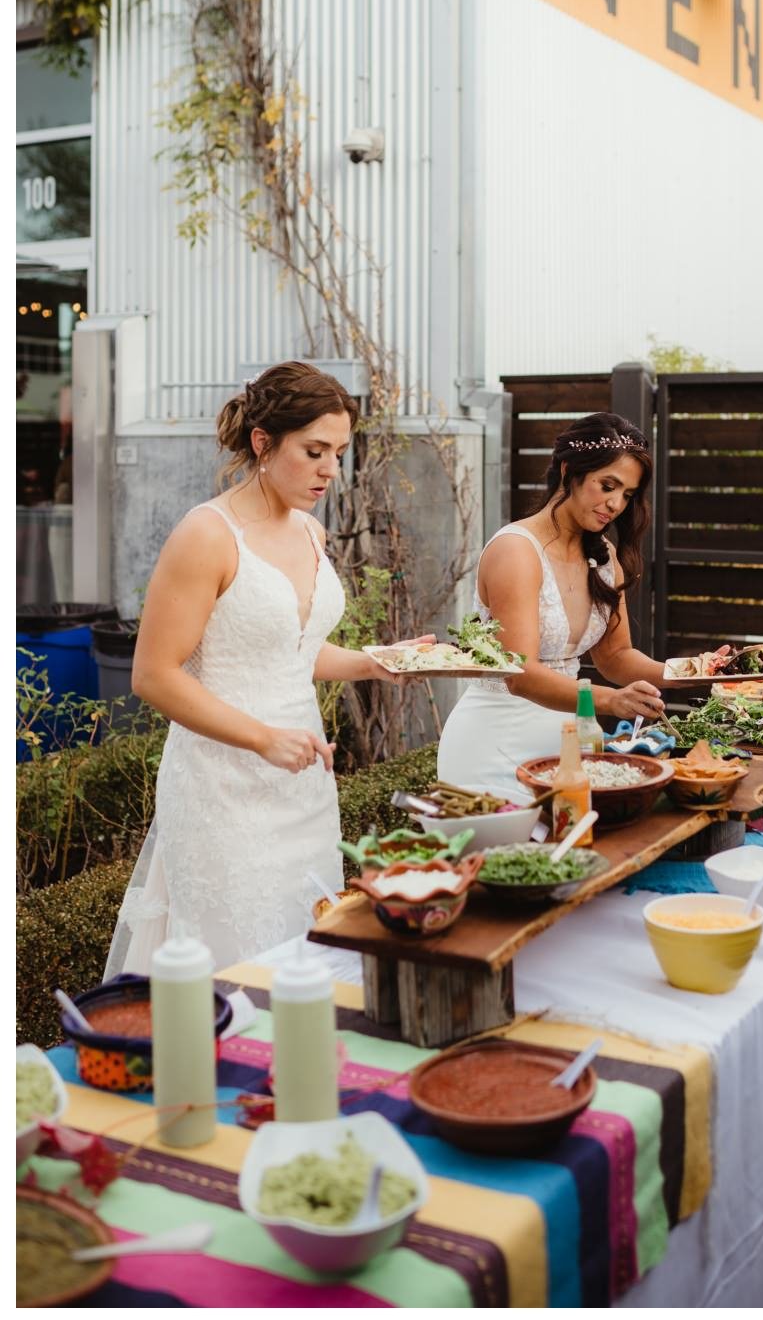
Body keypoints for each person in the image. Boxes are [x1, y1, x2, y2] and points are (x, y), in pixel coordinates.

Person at [109, 362, 428, 974]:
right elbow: (153, 674)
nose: (330, 470)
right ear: (263, 442)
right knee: (235, 963)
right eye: (314, 451)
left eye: (338, 452)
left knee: (304, 949)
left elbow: (291, 654)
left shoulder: (310, 532)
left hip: (302, 781)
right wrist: (262, 739)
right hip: (221, 787)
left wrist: (377, 663)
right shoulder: (207, 535)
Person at [435, 412, 672, 794]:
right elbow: (520, 674)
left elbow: (616, 657)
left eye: (627, 495)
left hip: (562, 749)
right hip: (492, 749)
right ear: (568, 471)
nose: (615, 504)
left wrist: (698, 673)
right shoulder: (516, 550)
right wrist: (612, 701)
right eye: (607, 485)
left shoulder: (604, 556)